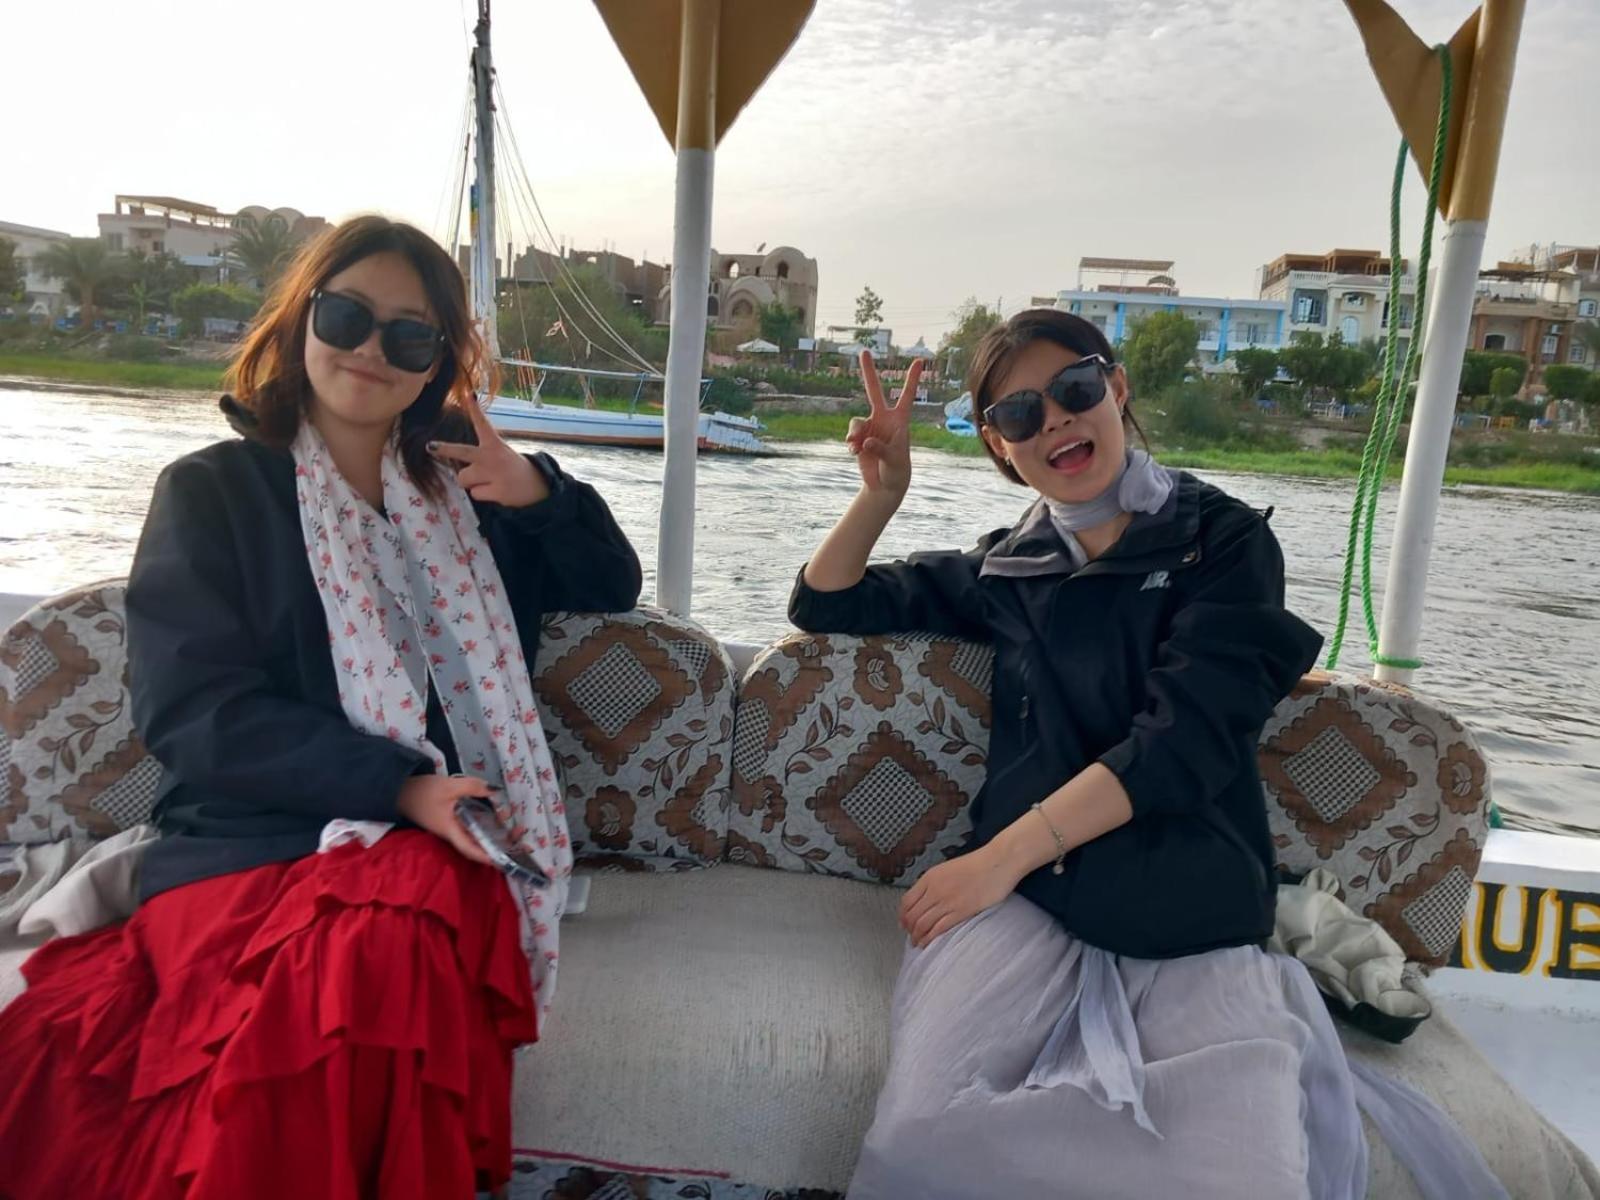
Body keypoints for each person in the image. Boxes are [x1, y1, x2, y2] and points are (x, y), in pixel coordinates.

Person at [0, 216, 642, 1199]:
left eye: (410, 335)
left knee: (395, 929)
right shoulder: (214, 491)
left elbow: (609, 582)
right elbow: (193, 709)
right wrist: (399, 788)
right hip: (253, 840)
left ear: (437, 362)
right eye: (347, 316)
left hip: (452, 839)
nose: (371, 350)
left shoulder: (474, 501)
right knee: (377, 946)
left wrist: (535, 489)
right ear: (302, 318)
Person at [789, 310, 1368, 1198]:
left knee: (1244, 1179)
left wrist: (997, 858)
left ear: (1116, 388)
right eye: (1020, 413)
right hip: (1038, 901)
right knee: (922, 1139)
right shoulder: (1012, 568)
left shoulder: (1223, 542)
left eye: (1075, 388)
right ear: (999, 445)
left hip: (1186, 901)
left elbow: (1182, 743)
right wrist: (882, 495)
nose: (1055, 418)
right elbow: (826, 603)